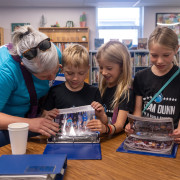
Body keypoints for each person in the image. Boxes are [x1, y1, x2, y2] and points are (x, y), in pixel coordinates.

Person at [0, 25, 62, 147]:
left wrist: (43, 112)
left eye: (55, 71)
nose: (52, 78)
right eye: (44, 76)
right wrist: (29, 123)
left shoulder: (52, 53)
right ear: (24, 66)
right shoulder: (5, 71)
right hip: (7, 125)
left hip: (33, 117)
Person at [125, 26, 180, 144]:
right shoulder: (140, 77)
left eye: (166, 55)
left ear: (176, 49)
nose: (160, 61)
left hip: (172, 138)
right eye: (154, 55)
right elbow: (138, 111)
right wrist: (133, 126)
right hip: (145, 137)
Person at [42, 44, 107, 125]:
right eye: (70, 73)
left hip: (86, 136)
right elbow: (44, 116)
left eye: (81, 73)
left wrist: (101, 115)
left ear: (87, 69)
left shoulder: (94, 91)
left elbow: (104, 123)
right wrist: (47, 115)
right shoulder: (54, 92)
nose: (75, 78)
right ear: (62, 69)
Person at [87, 41, 134, 135]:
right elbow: (104, 121)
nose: (103, 72)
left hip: (117, 141)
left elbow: (120, 125)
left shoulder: (126, 92)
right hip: (106, 139)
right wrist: (100, 116)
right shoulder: (101, 89)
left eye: (109, 68)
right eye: (101, 67)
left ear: (122, 67)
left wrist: (105, 129)